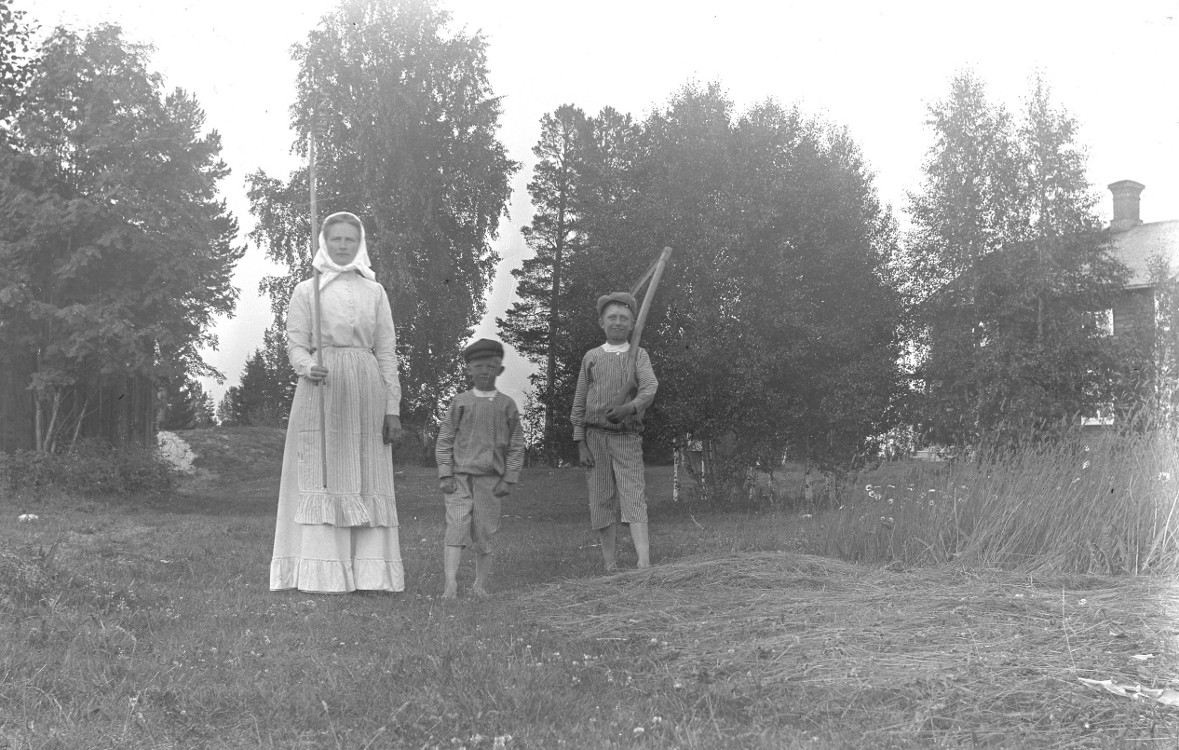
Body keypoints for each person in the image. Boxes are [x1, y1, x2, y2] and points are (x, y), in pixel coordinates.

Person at [269, 211, 405, 594]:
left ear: (359, 244)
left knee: (364, 472)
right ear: (323, 243)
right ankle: (320, 571)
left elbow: (388, 351)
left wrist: (391, 407)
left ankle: (368, 573)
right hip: (322, 387)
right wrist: (306, 365)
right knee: (323, 471)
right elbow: (295, 341)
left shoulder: (375, 292)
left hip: (365, 384)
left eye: (350, 240)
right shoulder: (305, 290)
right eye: (336, 240)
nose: (343, 246)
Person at [570, 292, 658, 571]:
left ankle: (643, 562)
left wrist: (629, 408)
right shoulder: (592, 357)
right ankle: (610, 564)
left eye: (624, 318)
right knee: (601, 498)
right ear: (601, 323)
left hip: (626, 437)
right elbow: (579, 401)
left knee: (633, 494)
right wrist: (580, 441)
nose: (618, 323)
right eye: (612, 318)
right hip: (594, 439)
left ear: (632, 324)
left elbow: (649, 388)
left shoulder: (638, 355)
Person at [435, 338, 525, 598]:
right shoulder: (460, 402)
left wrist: (509, 478)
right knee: (456, 527)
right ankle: (450, 584)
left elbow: (517, 445)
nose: (485, 371)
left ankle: (479, 585)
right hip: (459, 480)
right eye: (479, 365)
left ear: (500, 370)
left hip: (491, 481)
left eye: (492, 366)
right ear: (468, 369)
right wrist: (445, 473)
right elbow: (445, 440)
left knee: (485, 531)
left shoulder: (507, 404)